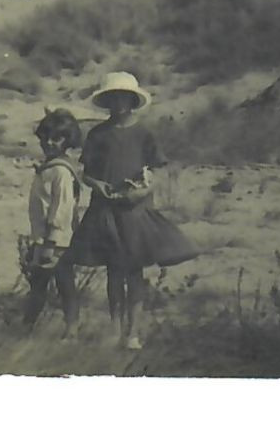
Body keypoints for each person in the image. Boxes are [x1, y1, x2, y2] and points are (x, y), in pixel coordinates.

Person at [65, 71, 199, 350]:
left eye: (124, 97)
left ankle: (134, 333)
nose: (119, 103)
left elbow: (156, 171)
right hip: (106, 210)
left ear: (132, 100)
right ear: (107, 101)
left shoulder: (144, 134)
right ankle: (115, 330)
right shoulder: (98, 134)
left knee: (135, 271)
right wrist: (98, 186)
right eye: (113, 98)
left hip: (135, 211)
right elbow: (86, 174)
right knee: (114, 271)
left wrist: (144, 190)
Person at [21, 108, 83, 337]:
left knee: (64, 284)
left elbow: (62, 208)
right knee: (38, 284)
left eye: (56, 138)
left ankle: (71, 329)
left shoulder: (61, 172)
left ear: (68, 141)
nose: (49, 142)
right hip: (43, 238)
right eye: (45, 137)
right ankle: (27, 326)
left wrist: (50, 242)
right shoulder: (48, 168)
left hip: (57, 240)